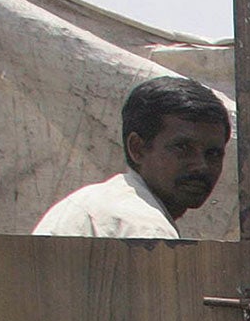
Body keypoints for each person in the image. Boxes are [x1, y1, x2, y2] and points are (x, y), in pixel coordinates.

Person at [33, 76, 229, 239]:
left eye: (213, 153)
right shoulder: (145, 230)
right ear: (138, 148)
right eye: (183, 148)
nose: (201, 166)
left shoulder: (93, 202)